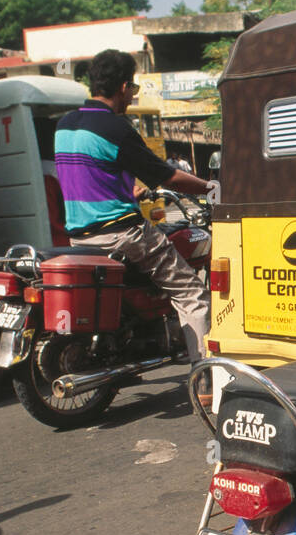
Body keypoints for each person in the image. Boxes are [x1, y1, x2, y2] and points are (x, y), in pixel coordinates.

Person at [54, 49, 212, 367]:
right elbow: (167, 177)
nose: (132, 96)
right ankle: (206, 378)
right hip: (121, 234)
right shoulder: (116, 128)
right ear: (124, 87)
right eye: (134, 89)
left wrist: (128, 190)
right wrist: (211, 187)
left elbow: (87, 174)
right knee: (192, 293)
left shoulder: (64, 125)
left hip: (79, 239)